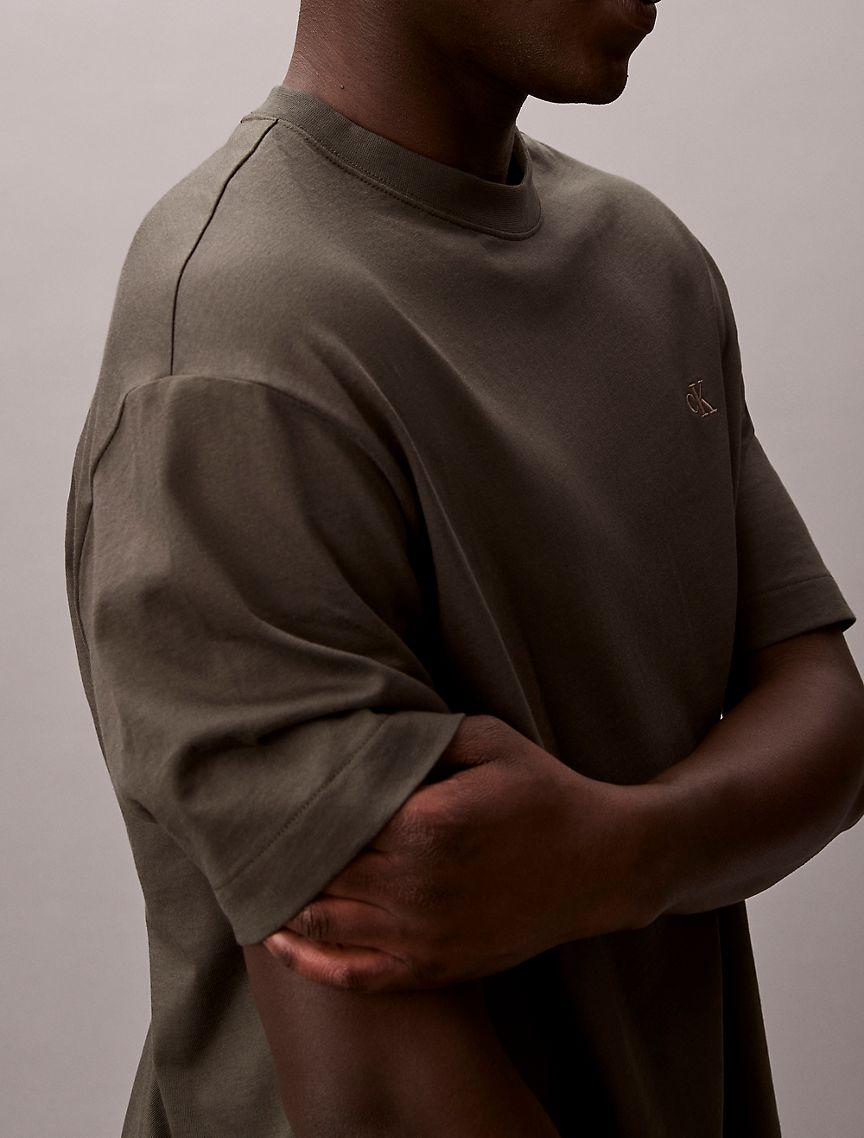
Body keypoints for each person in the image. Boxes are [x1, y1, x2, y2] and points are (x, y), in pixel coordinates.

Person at [63, 1, 864, 1135]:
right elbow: (386, 1092)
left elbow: (828, 716)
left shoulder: (650, 260)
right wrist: (652, 851)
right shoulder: (239, 348)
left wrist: (611, 855)